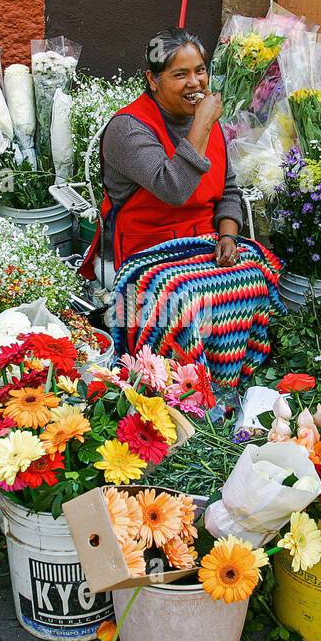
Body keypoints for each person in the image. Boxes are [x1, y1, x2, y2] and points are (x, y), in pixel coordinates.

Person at [83, 28, 282, 388]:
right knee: (182, 300)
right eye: (180, 74)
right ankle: (180, 386)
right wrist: (202, 123)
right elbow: (173, 187)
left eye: (200, 70)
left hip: (203, 245)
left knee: (258, 274)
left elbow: (229, 190)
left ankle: (234, 378)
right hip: (146, 254)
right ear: (152, 80)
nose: (196, 82)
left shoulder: (210, 125)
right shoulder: (128, 128)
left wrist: (228, 235)